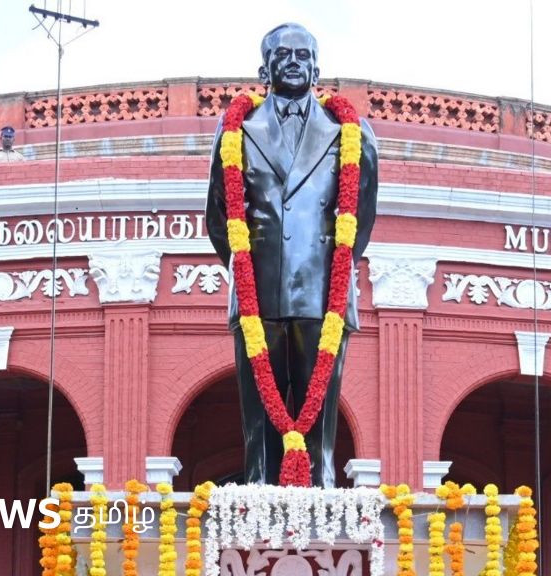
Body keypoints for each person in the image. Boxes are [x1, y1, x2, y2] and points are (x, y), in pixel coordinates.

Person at [205, 23, 378, 487]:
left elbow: (360, 215)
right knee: (257, 412)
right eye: (283, 55)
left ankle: (320, 488)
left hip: (322, 288)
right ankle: (258, 487)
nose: (295, 62)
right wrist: (252, 260)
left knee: (319, 407)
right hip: (257, 286)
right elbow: (218, 216)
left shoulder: (350, 132)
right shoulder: (237, 130)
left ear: (317, 67)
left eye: (304, 54)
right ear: (264, 69)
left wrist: (324, 263)